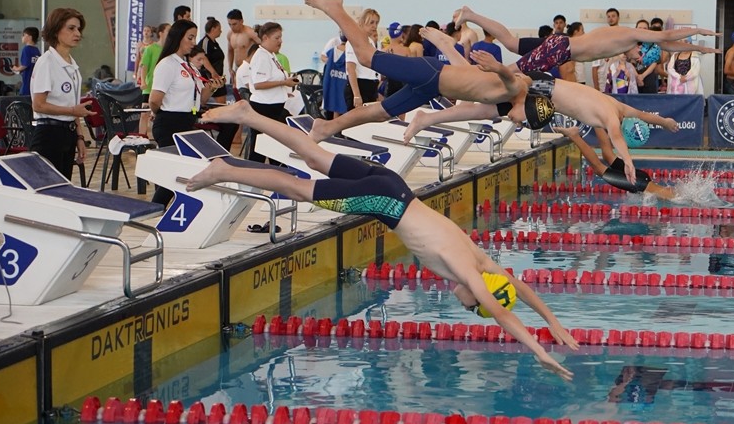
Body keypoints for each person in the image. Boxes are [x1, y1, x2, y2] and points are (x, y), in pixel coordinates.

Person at [190, 102, 577, 380]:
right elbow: (504, 312)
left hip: (396, 188)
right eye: (474, 308)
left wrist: (553, 321)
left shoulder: (480, 260)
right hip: (386, 203)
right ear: (480, 294)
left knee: (314, 157)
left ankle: (248, 115)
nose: (466, 306)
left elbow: (519, 288)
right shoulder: (468, 272)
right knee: (297, 187)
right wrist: (538, 350)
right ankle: (224, 170)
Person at [402, 28, 678, 186]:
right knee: (481, 87)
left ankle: (426, 119)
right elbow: (616, 139)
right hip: (541, 88)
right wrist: (628, 161)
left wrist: (665, 122)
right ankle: (448, 47)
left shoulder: (620, 108)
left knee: (483, 108)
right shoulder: (612, 118)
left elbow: (644, 115)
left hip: (543, 92)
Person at [302, 0, 549, 137]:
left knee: (380, 113)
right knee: (366, 56)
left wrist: (425, 120)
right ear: (526, 107)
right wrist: (498, 67)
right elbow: (510, 78)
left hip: (431, 87)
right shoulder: (515, 90)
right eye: (523, 121)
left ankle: (327, 128)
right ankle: (335, 8)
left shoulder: (503, 106)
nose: (518, 123)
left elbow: (465, 101)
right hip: (430, 74)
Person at [453, 5, 719, 76]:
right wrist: (698, 31)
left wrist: (697, 47)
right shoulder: (630, 36)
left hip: (559, 44)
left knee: (511, 43)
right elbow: (665, 36)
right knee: (510, 70)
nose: (634, 61)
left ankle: (471, 14)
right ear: (640, 48)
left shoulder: (627, 41)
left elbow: (666, 44)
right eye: (639, 59)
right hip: (560, 50)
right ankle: (470, 75)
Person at [149, 20, 222, 206]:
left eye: (194, 38)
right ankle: (154, 210)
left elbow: (200, 100)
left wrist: (212, 88)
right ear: (178, 37)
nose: (193, 42)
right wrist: (162, 114)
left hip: (186, 122)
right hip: (169, 123)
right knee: (172, 177)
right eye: (190, 38)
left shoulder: (187, 66)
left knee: (181, 174)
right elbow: (154, 100)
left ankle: (164, 210)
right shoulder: (167, 64)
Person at [30, 8, 92, 180]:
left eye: (78, 29)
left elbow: (74, 105)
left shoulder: (72, 64)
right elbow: (38, 105)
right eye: (71, 28)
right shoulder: (47, 62)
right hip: (49, 134)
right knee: (48, 189)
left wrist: (79, 136)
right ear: (56, 30)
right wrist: (72, 111)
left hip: (68, 133)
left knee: (64, 187)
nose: (77, 33)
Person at [247, 22, 296, 163]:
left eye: (281, 37)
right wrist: (283, 83)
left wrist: (284, 86)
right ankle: (254, 172)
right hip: (263, 107)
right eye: (277, 38)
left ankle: (274, 170)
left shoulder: (271, 55)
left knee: (272, 146)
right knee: (260, 148)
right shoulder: (261, 56)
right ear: (265, 38)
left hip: (274, 106)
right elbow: (259, 84)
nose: (280, 41)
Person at [346, 8, 382, 108]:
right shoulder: (353, 41)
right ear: (362, 23)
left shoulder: (371, 42)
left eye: (376, 23)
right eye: (371, 23)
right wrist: (357, 95)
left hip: (371, 85)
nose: (374, 26)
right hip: (360, 84)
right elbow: (350, 69)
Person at [225, 9, 260, 92]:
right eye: (229, 24)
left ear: (241, 21)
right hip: (237, 68)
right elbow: (230, 51)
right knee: (237, 92)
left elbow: (263, 46)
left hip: (249, 67)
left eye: (234, 24)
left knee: (249, 91)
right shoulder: (230, 34)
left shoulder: (250, 33)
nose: (232, 27)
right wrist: (230, 68)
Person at [11, 26, 41, 97]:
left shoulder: (26, 49)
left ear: (29, 37)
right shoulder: (36, 50)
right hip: (35, 82)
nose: (22, 37)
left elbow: (25, 65)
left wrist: (16, 69)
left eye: (24, 35)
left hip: (27, 83)